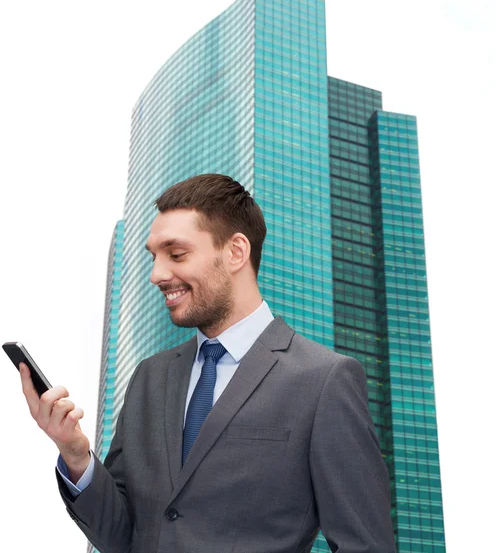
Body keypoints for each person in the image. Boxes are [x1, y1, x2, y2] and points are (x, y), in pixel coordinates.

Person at [20, 173, 396, 553]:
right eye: (154, 256)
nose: (157, 275)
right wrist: (75, 454)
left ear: (236, 252)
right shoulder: (150, 377)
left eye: (176, 254)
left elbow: (365, 545)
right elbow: (122, 536)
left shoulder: (323, 380)